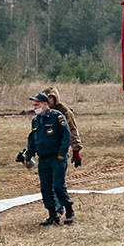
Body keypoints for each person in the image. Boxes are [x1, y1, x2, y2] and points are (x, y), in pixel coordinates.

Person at [19, 88, 75, 224]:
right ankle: (52, 213)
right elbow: (33, 139)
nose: (34, 108)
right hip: (43, 158)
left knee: (58, 186)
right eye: (33, 105)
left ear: (45, 104)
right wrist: (28, 156)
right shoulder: (35, 121)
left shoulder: (57, 117)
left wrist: (62, 153)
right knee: (45, 187)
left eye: (37, 105)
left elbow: (66, 135)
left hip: (57, 157)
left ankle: (69, 210)